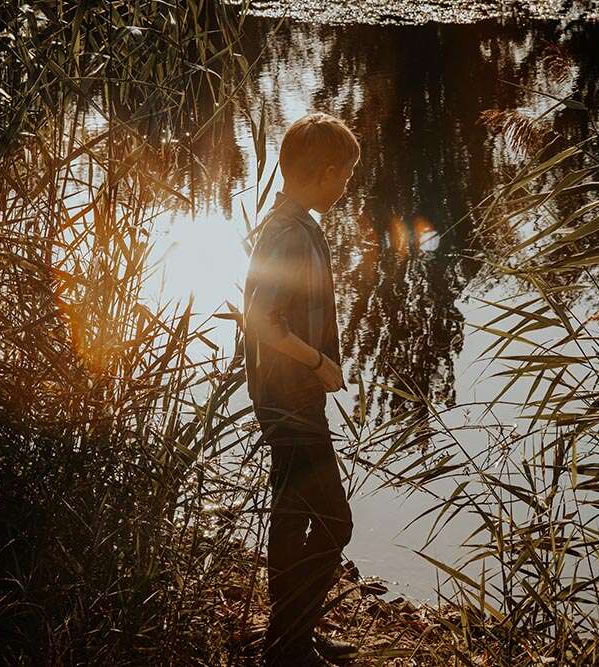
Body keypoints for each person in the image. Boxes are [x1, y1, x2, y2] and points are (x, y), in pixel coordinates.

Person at [243, 112, 360, 666]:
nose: (346, 187)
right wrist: (318, 362)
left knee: (292, 516)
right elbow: (261, 320)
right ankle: (288, 640)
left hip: (287, 395)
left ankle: (287, 640)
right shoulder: (288, 233)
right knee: (336, 522)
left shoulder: (292, 222)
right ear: (328, 171)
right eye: (346, 176)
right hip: (289, 399)